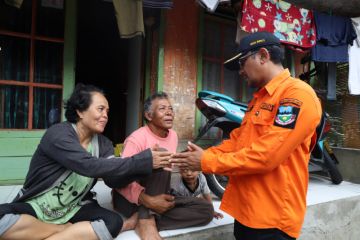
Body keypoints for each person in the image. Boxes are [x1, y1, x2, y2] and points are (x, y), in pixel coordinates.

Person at [170, 31, 322, 240]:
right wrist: (202, 154)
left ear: (263, 55)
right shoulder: (259, 99)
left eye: (242, 63)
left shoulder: (296, 95)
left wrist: (206, 160)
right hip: (247, 211)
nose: (240, 71)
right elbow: (238, 140)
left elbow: (267, 156)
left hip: (272, 218)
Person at [0, 84, 172, 240]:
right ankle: (62, 230)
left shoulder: (103, 143)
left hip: (73, 207)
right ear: (80, 112)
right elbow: (88, 166)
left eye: (107, 111)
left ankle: (45, 233)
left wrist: (149, 165)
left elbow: (113, 179)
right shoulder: (59, 134)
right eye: (100, 109)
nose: (105, 115)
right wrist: (142, 160)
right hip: (37, 204)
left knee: (113, 222)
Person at [111, 92, 213, 240]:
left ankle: (139, 220)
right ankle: (146, 220)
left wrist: (185, 159)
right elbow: (120, 180)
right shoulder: (136, 139)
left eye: (171, 109)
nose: (169, 112)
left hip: (158, 197)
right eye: (162, 109)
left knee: (206, 210)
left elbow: (170, 171)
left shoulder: (173, 136)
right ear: (148, 115)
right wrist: (149, 200)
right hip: (131, 201)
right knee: (159, 156)